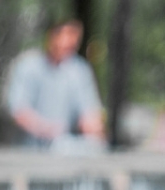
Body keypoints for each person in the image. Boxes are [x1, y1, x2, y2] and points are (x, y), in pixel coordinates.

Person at [6, 18, 104, 150]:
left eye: (75, 41)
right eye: (67, 36)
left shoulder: (79, 71)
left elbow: (90, 113)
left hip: (62, 155)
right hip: (27, 153)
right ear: (51, 36)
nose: (71, 44)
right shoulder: (28, 66)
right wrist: (46, 129)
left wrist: (94, 129)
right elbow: (18, 110)